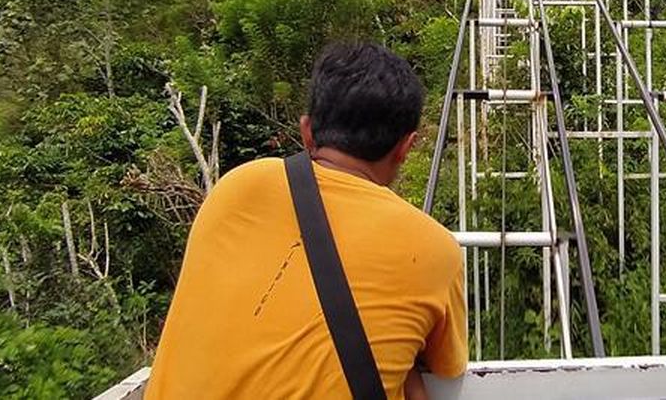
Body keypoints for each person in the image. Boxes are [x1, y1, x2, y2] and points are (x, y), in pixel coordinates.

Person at [146, 42, 467, 399]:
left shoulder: (234, 189)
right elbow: (446, 367)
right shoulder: (434, 249)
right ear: (406, 147)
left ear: (307, 131)